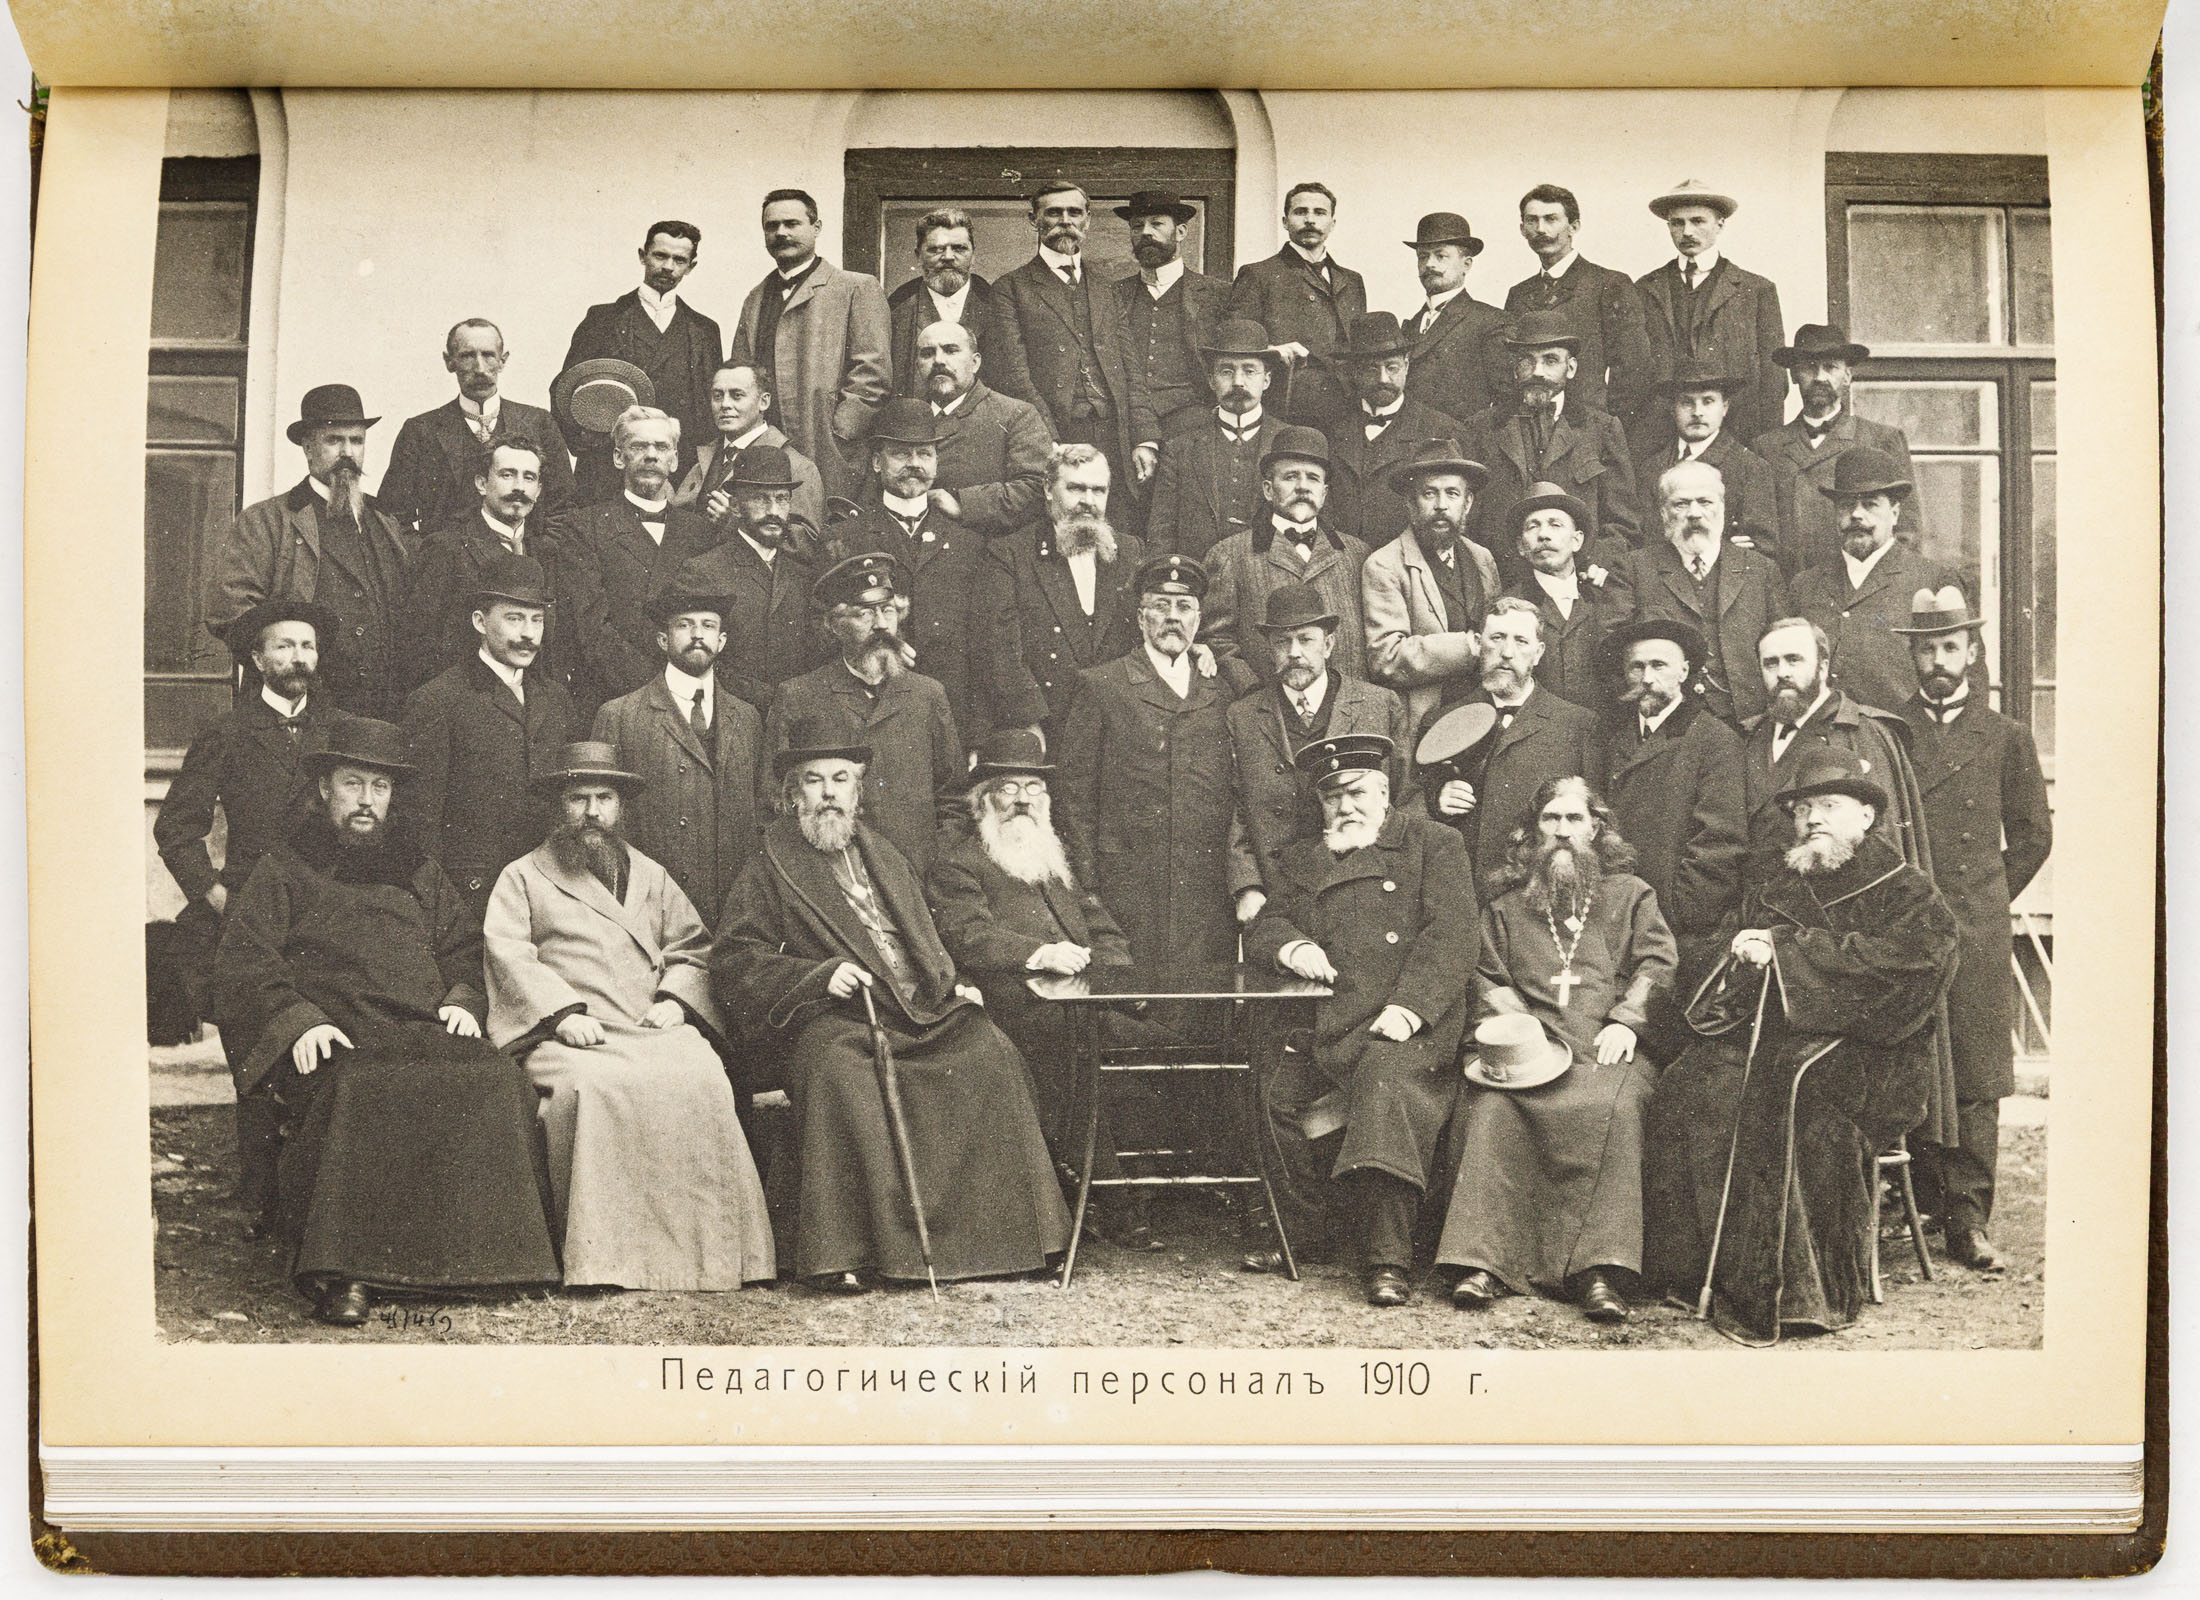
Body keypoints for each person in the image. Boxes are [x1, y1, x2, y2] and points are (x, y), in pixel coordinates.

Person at [212, 715, 560, 1326]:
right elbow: (246, 961)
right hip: (337, 1034)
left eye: (381, 787)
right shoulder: (284, 869)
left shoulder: (418, 870)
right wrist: (298, 1021)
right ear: (325, 788)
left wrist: (462, 999)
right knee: (363, 1088)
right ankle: (348, 1272)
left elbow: (462, 947)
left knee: (497, 1080)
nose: (367, 801)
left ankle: (490, 1265)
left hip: (422, 1028)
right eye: (353, 784)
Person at [711, 744, 1071, 1291]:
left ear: (858, 792)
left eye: (840, 780)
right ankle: (850, 1253)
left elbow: (926, 939)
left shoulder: (884, 855)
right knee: (840, 1070)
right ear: (793, 794)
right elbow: (735, 960)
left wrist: (953, 983)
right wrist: (817, 975)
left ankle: (1011, 1240)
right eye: (813, 780)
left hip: (917, 1007)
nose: (828, 794)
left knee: (990, 1049)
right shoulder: (768, 865)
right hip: (834, 1017)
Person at [1642, 747, 1961, 1344]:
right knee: (1693, 1080)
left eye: (1829, 806)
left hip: (1871, 1054)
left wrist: (1787, 952)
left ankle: (1796, 1294)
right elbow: (1733, 951)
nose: (1813, 819)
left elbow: (1915, 967)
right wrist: (1742, 955)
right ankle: (1693, 1272)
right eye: (1802, 809)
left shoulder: (1906, 889)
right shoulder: (1778, 881)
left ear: (1866, 816)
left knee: (1793, 1094)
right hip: (1777, 1036)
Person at [483, 742, 774, 1291]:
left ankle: (714, 1257)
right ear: (559, 806)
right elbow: (509, 953)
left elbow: (692, 946)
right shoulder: (522, 876)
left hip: (646, 1023)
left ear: (621, 807)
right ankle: (606, 1260)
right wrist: (561, 1014)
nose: (592, 812)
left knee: (704, 1075)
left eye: (605, 798)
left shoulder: (650, 875)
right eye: (579, 799)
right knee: (594, 1087)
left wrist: (675, 1001)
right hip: (571, 1034)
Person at [1241, 734, 1476, 1305]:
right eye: (1332, 797)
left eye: (1357, 793)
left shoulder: (1433, 842)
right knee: (1271, 1092)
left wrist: (1411, 1008)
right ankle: (1304, 1231)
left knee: (1385, 1087)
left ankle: (1387, 1258)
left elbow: (1453, 935)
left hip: (1406, 1020)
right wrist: (1292, 946)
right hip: (1328, 1022)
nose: (1345, 808)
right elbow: (1265, 925)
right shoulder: (1303, 858)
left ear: (1385, 792)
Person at [1437, 776, 1677, 1322]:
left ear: (1596, 829)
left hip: (1606, 1044)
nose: (1563, 831)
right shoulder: (1505, 907)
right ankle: (1483, 1263)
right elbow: (1485, 977)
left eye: (1574, 819)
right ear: (1533, 831)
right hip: (1533, 1048)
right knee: (1493, 1105)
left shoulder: (1632, 894)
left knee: (1615, 1107)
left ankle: (1599, 1271)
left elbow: (1657, 964)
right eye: (1551, 819)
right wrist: (1519, 1033)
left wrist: (1628, 1022)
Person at [924, 727, 1161, 1239]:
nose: (1023, 800)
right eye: (1008, 788)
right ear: (983, 801)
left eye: (1034, 788)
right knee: (1068, 1052)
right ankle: (1107, 1198)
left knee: (1154, 1043)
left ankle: (1129, 1190)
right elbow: (967, 934)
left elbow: (1100, 926)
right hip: (1011, 1005)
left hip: (1082, 1003)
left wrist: (1119, 979)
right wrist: (1038, 954)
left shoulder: (1053, 859)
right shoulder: (959, 862)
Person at [154, 598, 337, 1237]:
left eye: (307, 646)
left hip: (321, 912)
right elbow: (177, 829)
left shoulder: (339, 730)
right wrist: (216, 896)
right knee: (255, 1050)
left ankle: (318, 1193)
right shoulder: (227, 732)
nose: (298, 658)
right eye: (284, 646)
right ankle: (260, 1196)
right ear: (257, 659)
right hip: (246, 916)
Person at [1894, 586, 2052, 1273]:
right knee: (1914, 1057)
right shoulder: (1891, 731)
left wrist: (1984, 896)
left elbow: (2033, 835)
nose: (1938, 661)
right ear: (1913, 656)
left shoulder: (2006, 735)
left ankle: (1969, 1218)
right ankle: (1918, 1200)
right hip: (1908, 922)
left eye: (1949, 647)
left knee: (1976, 1072)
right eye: (1927, 649)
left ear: (1973, 651)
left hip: (1975, 927)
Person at [1060, 554, 1258, 993]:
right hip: (1127, 889)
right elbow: (1076, 799)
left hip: (1204, 893)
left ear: (1199, 619)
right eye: (1160, 605)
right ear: (1140, 617)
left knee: (1203, 1007)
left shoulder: (1223, 688)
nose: (1173, 617)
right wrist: (1087, 890)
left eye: (1184, 607)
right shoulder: (1102, 685)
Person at [205, 384, 412, 719]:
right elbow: (230, 610)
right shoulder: (266, 521)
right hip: (298, 708)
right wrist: (289, 666)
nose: (347, 452)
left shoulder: (387, 521)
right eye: (334, 440)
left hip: (382, 712)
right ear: (308, 448)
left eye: (356, 441)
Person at [765, 552, 961, 876]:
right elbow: (775, 803)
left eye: (888, 611)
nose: (882, 624)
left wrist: (937, 869)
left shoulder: (928, 695)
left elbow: (954, 801)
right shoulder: (798, 696)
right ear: (834, 625)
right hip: (835, 877)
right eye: (865, 614)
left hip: (918, 879)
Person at [402, 552, 575, 918]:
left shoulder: (556, 699)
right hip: (473, 899)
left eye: (537, 620)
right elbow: (421, 825)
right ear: (480, 621)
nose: (528, 634)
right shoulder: (438, 700)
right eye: (514, 618)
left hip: (550, 896)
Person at [1225, 583, 1411, 915]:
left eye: (1306, 639)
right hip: (1278, 892)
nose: (1294, 652)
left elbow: (1406, 796)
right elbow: (1236, 808)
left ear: (1328, 645)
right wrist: (1248, 885)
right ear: (1270, 649)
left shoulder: (1379, 704)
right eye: (1282, 642)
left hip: (1364, 888)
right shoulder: (1244, 716)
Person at [590, 581, 767, 928]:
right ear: (663, 639)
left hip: (735, 915)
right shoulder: (619, 716)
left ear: (722, 640)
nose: (697, 635)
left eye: (708, 625)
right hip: (654, 910)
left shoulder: (747, 718)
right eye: (685, 625)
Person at [397, 438, 619, 709]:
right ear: (481, 483)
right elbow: (419, 646)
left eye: (529, 478)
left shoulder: (549, 553)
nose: (519, 488)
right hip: (469, 709)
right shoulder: (446, 548)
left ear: (539, 490)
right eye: (507, 475)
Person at [822, 398, 989, 748]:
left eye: (924, 454)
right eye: (901, 454)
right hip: (867, 715)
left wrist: (976, 738)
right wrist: (875, 644)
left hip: (950, 718)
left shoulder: (968, 543)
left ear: (936, 461)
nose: (914, 464)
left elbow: (985, 646)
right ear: (877, 462)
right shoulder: (844, 539)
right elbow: (822, 626)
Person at [1595, 618, 1748, 988]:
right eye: (1637, 667)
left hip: (1673, 927)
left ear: (1684, 671)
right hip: (1611, 919)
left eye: (1659, 665)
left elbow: (1720, 844)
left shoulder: (1714, 739)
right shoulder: (1610, 738)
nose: (1647, 678)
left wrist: (1675, 915)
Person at [976, 444, 1151, 746]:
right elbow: (1001, 651)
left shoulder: (1130, 551)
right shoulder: (1010, 554)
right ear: (1048, 489)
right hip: (1048, 726)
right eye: (1076, 488)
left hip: (1118, 726)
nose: (1088, 501)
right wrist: (1029, 723)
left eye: (1099, 490)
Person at [730, 189, 893, 502]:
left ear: (816, 228)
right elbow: (742, 374)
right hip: (768, 451)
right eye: (772, 226)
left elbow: (872, 375)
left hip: (830, 452)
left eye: (792, 223)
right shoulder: (755, 298)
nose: (781, 233)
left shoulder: (856, 287)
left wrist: (840, 433)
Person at [1603, 459, 1791, 728]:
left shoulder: (1760, 569)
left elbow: (1783, 644)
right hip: (1668, 723)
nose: (1694, 513)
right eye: (1681, 504)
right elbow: (1611, 650)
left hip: (1749, 723)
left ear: (1722, 508)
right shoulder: (1633, 568)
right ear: (1663, 513)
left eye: (1705, 502)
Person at [1740, 616, 1924, 886]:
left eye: (1794, 660)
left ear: (1823, 667)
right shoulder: (1747, 737)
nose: (1782, 673)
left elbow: (1884, 847)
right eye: (1771, 663)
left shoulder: (1862, 732)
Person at [1425, 596, 1603, 871]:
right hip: (1464, 879)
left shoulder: (1579, 726)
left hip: (1539, 881)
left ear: (1539, 652)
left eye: (1521, 641)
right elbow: (1412, 801)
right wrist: (1437, 800)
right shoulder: (1441, 721)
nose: (1507, 652)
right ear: (1477, 644)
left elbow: (1594, 820)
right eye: (1497, 638)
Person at [1465, 309, 1641, 586]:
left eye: (1550, 360)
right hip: (1502, 582)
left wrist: (1598, 563)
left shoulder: (1602, 429)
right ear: (1515, 368)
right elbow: (1467, 519)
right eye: (1527, 360)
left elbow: (1624, 522)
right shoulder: (1481, 429)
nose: (1538, 372)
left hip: (1578, 582)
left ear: (1570, 368)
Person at [989, 181, 1134, 504]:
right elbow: (1014, 373)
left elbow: (1130, 367)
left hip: (1114, 434)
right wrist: (1049, 438)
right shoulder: (1011, 288)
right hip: (1056, 431)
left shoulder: (1107, 286)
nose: (1065, 221)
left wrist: (1144, 438)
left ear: (1087, 220)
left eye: (1074, 213)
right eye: (1054, 213)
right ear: (1034, 220)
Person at [560, 221, 724, 504]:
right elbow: (565, 392)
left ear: (691, 266)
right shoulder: (602, 319)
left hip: (676, 475)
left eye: (679, 260)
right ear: (642, 255)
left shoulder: (704, 330)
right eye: (660, 256)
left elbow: (711, 415)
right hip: (607, 471)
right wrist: (596, 447)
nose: (668, 266)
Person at [1197, 425, 1372, 685]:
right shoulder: (1229, 555)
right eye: (1290, 477)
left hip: (1349, 702)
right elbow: (1217, 640)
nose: (1302, 487)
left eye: (1313, 478)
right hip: (1268, 703)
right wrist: (1251, 693)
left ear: (1324, 493)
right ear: (1268, 490)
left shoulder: (1358, 555)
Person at [1749, 322, 1923, 577]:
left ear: (1847, 376)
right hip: (1788, 589)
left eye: (1830, 367)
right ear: (1794, 375)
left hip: (1856, 589)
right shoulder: (1767, 447)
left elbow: (1906, 532)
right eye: (1810, 367)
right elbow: (1759, 536)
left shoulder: (1881, 439)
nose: (1820, 377)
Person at [377, 317, 575, 536]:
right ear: (449, 362)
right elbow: (392, 515)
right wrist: (428, 553)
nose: (480, 368)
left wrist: (537, 552)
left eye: (488, 355)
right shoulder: (420, 431)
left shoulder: (539, 423)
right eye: (467, 356)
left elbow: (565, 508)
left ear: (502, 360)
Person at [1360, 439, 1503, 734]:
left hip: (1487, 714)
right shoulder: (1385, 565)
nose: (1441, 505)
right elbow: (1386, 658)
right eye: (1429, 493)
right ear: (1411, 503)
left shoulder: (1482, 558)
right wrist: (1468, 646)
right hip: (1426, 722)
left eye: (1452, 493)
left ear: (1468, 502)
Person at [1792, 447, 1949, 714]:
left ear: (1895, 513)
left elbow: (1965, 679)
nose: (1856, 514)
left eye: (1870, 504)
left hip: (1900, 735)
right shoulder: (1805, 586)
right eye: (1847, 505)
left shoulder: (1931, 580)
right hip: (1822, 735)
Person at [1635, 181, 1789, 449]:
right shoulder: (1645, 289)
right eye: (1677, 223)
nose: (1687, 232)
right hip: (1661, 438)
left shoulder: (1756, 290)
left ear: (1720, 224)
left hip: (1739, 435)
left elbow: (1773, 380)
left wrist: (1767, 445)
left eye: (1698, 221)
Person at [671, 445, 827, 708]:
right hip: (731, 715)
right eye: (760, 499)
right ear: (735, 506)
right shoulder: (703, 571)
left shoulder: (803, 573)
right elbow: (691, 659)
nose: (773, 511)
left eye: (782, 499)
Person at [1504, 184, 1657, 434]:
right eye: (1532, 220)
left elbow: (1634, 369)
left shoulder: (1609, 284)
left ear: (1574, 226)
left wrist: (1606, 425)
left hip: (1589, 430)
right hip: (1530, 429)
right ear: (1522, 229)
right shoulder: (1519, 294)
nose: (1540, 229)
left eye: (1551, 219)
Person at [1226, 180, 1367, 443]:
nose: (1310, 220)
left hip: (1347, 409)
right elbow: (1235, 342)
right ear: (1285, 221)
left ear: (1332, 223)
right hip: (1289, 406)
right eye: (1301, 212)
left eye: (1319, 213)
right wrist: (1273, 350)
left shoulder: (1352, 280)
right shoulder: (1259, 274)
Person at [1114, 190, 1234, 496]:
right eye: (1137, 226)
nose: (1146, 233)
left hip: (1194, 424)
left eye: (1157, 224)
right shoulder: (1113, 295)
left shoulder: (1218, 294)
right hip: (1126, 426)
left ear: (1180, 232)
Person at [1146, 318, 1288, 559]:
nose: (1238, 382)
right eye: (1227, 371)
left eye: (1249, 371)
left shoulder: (1287, 442)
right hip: (1198, 575)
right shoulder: (1180, 448)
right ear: (1212, 380)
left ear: (1267, 380)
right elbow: (1161, 535)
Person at [1322, 310, 1469, 544]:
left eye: (1392, 367)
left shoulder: (1443, 431)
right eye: (1372, 369)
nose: (1383, 379)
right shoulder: (1332, 431)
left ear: (1406, 365)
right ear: (1355, 372)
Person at [907, 319, 1054, 540]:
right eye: (927, 354)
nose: (938, 360)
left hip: (984, 547)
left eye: (951, 350)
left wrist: (962, 504)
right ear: (918, 365)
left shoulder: (1016, 415)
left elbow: (1037, 487)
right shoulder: (904, 417)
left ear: (975, 362)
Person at [1629, 361, 1779, 556]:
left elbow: (1764, 547)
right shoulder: (1651, 468)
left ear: (1724, 407)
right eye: (1687, 402)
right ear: (1673, 410)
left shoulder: (1750, 467)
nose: (1697, 412)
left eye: (1708, 401)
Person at [670, 361, 826, 542]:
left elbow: (805, 545)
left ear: (763, 402)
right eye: (717, 396)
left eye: (737, 395)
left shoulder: (798, 467)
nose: (724, 404)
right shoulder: (705, 459)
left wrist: (734, 525)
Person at [1502, 482, 1623, 709]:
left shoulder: (1606, 596)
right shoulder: (1509, 607)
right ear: (1521, 546)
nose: (1543, 535)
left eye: (1555, 525)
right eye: (1533, 527)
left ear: (1577, 540)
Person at [1399, 212, 1509, 428]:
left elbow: (1506, 402)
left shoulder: (1491, 321)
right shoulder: (1410, 326)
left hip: (1460, 442)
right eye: (1422, 257)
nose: (1429, 264)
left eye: (1440, 256)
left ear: (1466, 264)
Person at [886, 208, 1006, 399]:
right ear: (918, 256)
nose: (948, 257)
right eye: (936, 249)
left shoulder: (999, 307)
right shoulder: (896, 311)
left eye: (959, 248)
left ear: (973, 254)